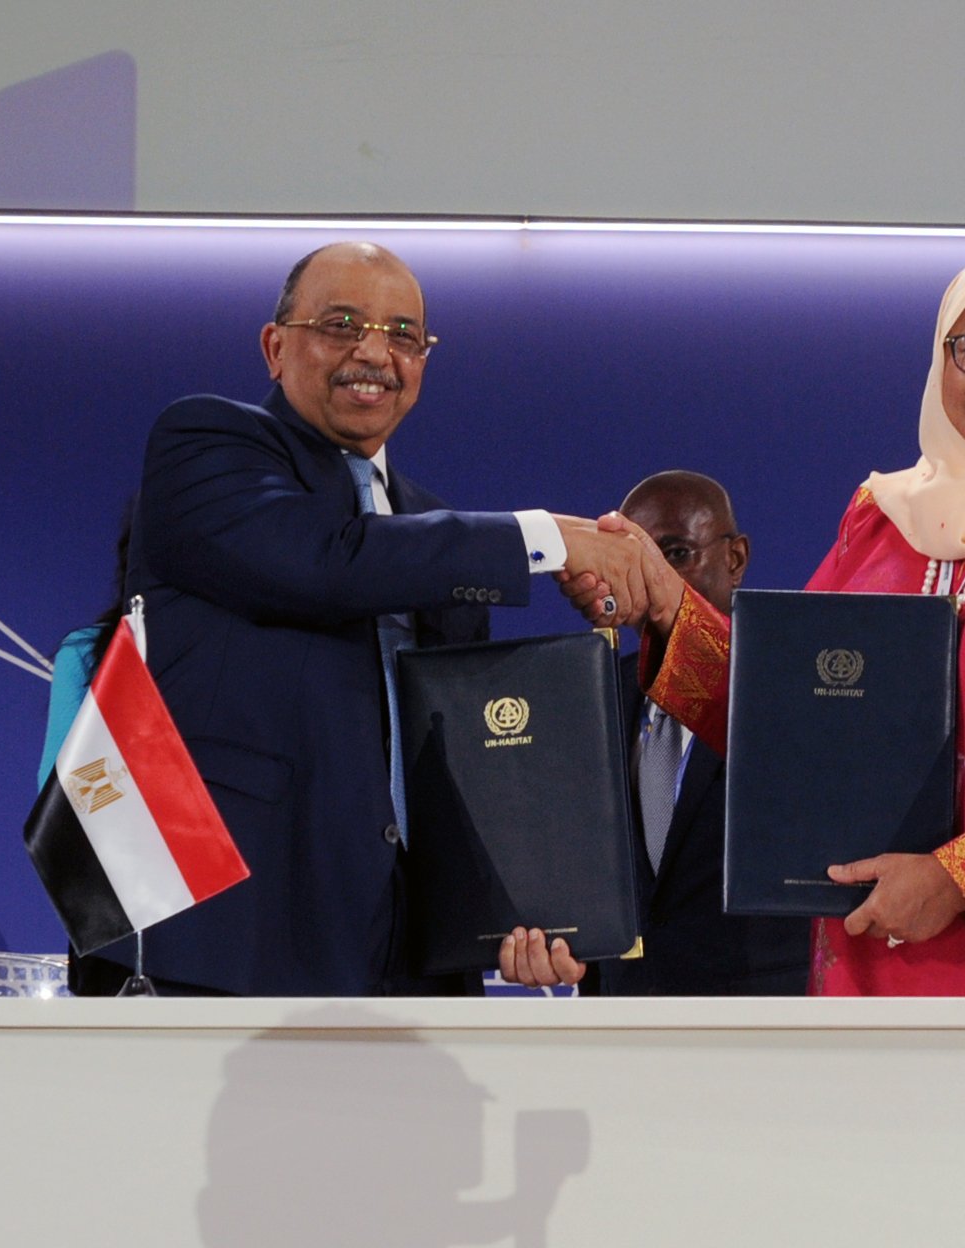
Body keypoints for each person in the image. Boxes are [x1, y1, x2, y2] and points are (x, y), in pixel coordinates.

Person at [548, 249, 965, 996]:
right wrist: (669, 610)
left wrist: (961, 880)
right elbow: (783, 716)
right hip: (872, 962)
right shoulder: (881, 523)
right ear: (941, 361)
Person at [72, 241, 654, 997]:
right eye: (341, 323)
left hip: (405, 961)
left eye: (403, 335)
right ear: (274, 347)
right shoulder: (204, 447)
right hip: (221, 941)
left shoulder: (436, 530)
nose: (374, 353)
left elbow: (454, 765)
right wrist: (544, 539)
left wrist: (526, 914)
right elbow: (324, 561)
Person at [502, 471, 810, 994]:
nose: (650, 577)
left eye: (675, 553)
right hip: (623, 1021)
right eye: (630, 558)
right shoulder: (590, 698)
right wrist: (550, 944)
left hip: (764, 1020)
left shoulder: (798, 689)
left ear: (735, 559)